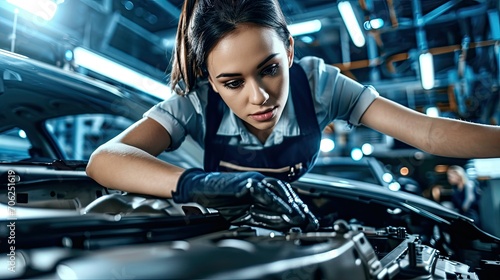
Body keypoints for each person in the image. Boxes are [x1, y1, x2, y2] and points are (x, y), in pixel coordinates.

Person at [86, 0, 500, 231]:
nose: (260, 96)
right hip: (179, 224)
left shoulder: (319, 86)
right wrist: (205, 183)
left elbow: (428, 132)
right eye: (232, 83)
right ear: (210, 81)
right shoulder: (195, 105)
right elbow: (104, 160)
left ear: (289, 51)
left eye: (269, 69)